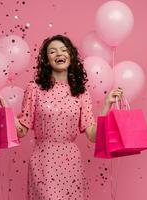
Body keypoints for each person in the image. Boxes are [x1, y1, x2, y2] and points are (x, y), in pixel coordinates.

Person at [13, 35, 123, 200]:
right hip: (44, 161)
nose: (59, 53)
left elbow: (93, 135)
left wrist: (106, 106)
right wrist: (3, 109)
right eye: (52, 51)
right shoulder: (34, 89)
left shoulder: (81, 92)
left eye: (64, 50)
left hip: (71, 162)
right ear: (46, 59)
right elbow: (21, 130)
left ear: (71, 56)